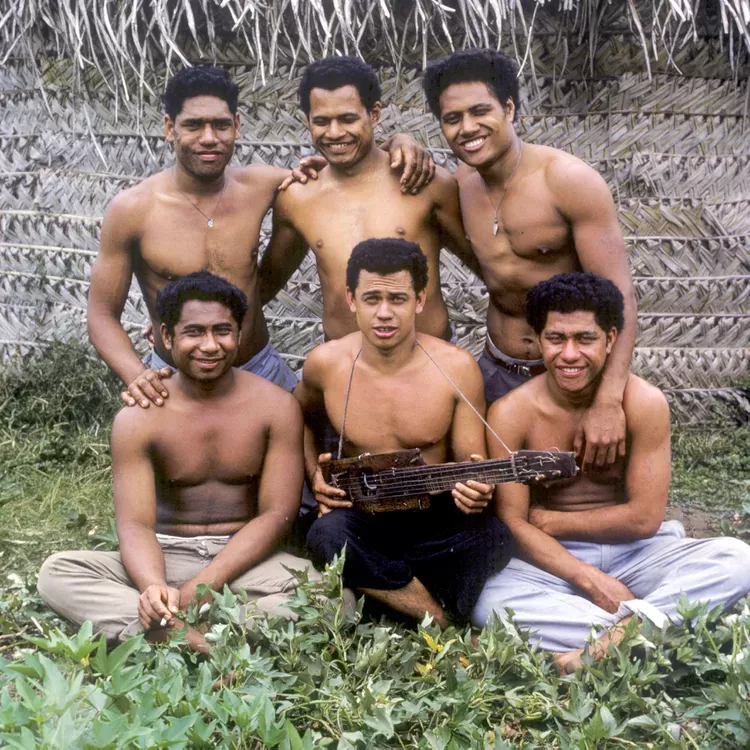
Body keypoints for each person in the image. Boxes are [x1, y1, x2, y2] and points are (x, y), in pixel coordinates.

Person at [88, 64, 434, 409]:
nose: (209, 138)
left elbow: (351, 163)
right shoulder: (132, 210)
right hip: (174, 376)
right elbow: (101, 315)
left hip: (259, 367)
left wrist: (401, 142)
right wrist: (136, 374)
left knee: (301, 451)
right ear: (169, 128)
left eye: (221, 125)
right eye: (193, 125)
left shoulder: (267, 185)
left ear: (237, 126)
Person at [472, 272, 750, 673]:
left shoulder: (645, 402)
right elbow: (514, 524)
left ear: (611, 339)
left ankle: (601, 647)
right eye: (556, 339)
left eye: (585, 339)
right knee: (487, 598)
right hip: (558, 565)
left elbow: (643, 519)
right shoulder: (511, 413)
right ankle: (650, 632)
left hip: (639, 553)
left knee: (738, 558)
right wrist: (588, 579)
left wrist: (549, 519)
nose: (569, 354)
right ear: (538, 339)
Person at [40, 272, 316, 651]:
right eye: (194, 332)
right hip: (165, 552)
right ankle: (195, 632)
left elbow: (276, 515)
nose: (209, 345)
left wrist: (204, 586)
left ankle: (164, 628)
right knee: (57, 573)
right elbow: (135, 524)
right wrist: (153, 586)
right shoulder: (140, 415)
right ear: (167, 337)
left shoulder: (276, 407)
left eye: (222, 331)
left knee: (329, 595)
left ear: (239, 334)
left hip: (241, 560)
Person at [422, 49, 638, 469]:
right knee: (487, 500)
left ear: (509, 108)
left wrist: (609, 400)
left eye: (480, 111)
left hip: (570, 372)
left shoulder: (567, 181)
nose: (467, 128)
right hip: (497, 366)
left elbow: (621, 297)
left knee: (573, 492)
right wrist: (400, 144)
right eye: (452, 118)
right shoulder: (460, 185)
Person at [296, 238, 512, 627]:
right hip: (364, 514)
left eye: (397, 299)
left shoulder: (456, 367)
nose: (384, 313)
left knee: (495, 536)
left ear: (419, 300)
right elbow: (295, 420)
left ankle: (387, 596)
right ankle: (439, 618)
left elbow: (471, 462)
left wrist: (476, 489)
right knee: (325, 535)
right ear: (350, 298)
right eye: (372, 298)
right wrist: (314, 473)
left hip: (437, 516)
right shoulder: (326, 365)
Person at [259, 56, 479, 342]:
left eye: (348, 119)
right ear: (307, 120)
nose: (335, 133)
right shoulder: (297, 198)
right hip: (347, 367)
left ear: (374, 114)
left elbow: (487, 265)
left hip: (429, 364)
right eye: (322, 121)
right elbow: (265, 285)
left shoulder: (424, 182)